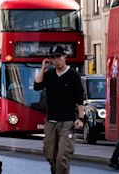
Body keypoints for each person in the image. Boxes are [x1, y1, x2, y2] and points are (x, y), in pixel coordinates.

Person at [34, 45, 84, 174]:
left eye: (58, 57)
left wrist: (81, 118)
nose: (56, 60)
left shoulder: (73, 75)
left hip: (67, 122)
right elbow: (37, 86)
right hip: (51, 121)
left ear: (65, 57)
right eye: (53, 58)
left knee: (62, 156)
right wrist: (43, 68)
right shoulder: (49, 75)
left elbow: (79, 99)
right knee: (50, 154)